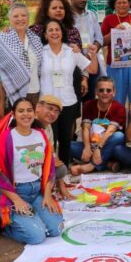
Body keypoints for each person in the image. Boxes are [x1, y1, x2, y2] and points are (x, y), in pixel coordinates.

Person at [0, 97, 62, 244]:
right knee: (37, 237)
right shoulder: (5, 138)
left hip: (36, 192)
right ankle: (6, 227)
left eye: (29, 110)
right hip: (15, 194)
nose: (26, 114)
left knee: (56, 229)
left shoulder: (41, 134)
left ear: (34, 113)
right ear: (14, 114)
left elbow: (49, 168)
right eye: (21, 111)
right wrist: (17, 200)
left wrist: (47, 196)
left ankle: (34, 217)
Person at [40, 20, 99, 165]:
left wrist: (93, 54)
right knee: (49, 141)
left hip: (68, 101)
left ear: (62, 33)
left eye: (57, 30)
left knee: (66, 140)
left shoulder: (71, 51)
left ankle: (64, 172)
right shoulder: (40, 52)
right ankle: (50, 174)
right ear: (45, 35)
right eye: (51, 30)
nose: (54, 33)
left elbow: (92, 69)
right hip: (47, 103)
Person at [0, 2, 43, 108]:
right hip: (11, 92)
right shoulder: (1, 39)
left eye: (23, 15)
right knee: (14, 123)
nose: (20, 19)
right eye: (16, 16)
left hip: (34, 91)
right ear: (10, 19)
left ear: (28, 18)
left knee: (31, 123)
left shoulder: (35, 39)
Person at [70, 76, 127, 174]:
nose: (105, 93)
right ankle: (107, 163)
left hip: (109, 146)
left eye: (108, 90)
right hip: (92, 145)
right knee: (69, 146)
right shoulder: (88, 105)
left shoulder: (119, 108)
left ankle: (91, 166)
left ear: (114, 92)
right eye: (101, 90)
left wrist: (98, 148)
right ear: (96, 92)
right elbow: (85, 128)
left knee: (119, 136)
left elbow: (110, 131)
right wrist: (87, 148)